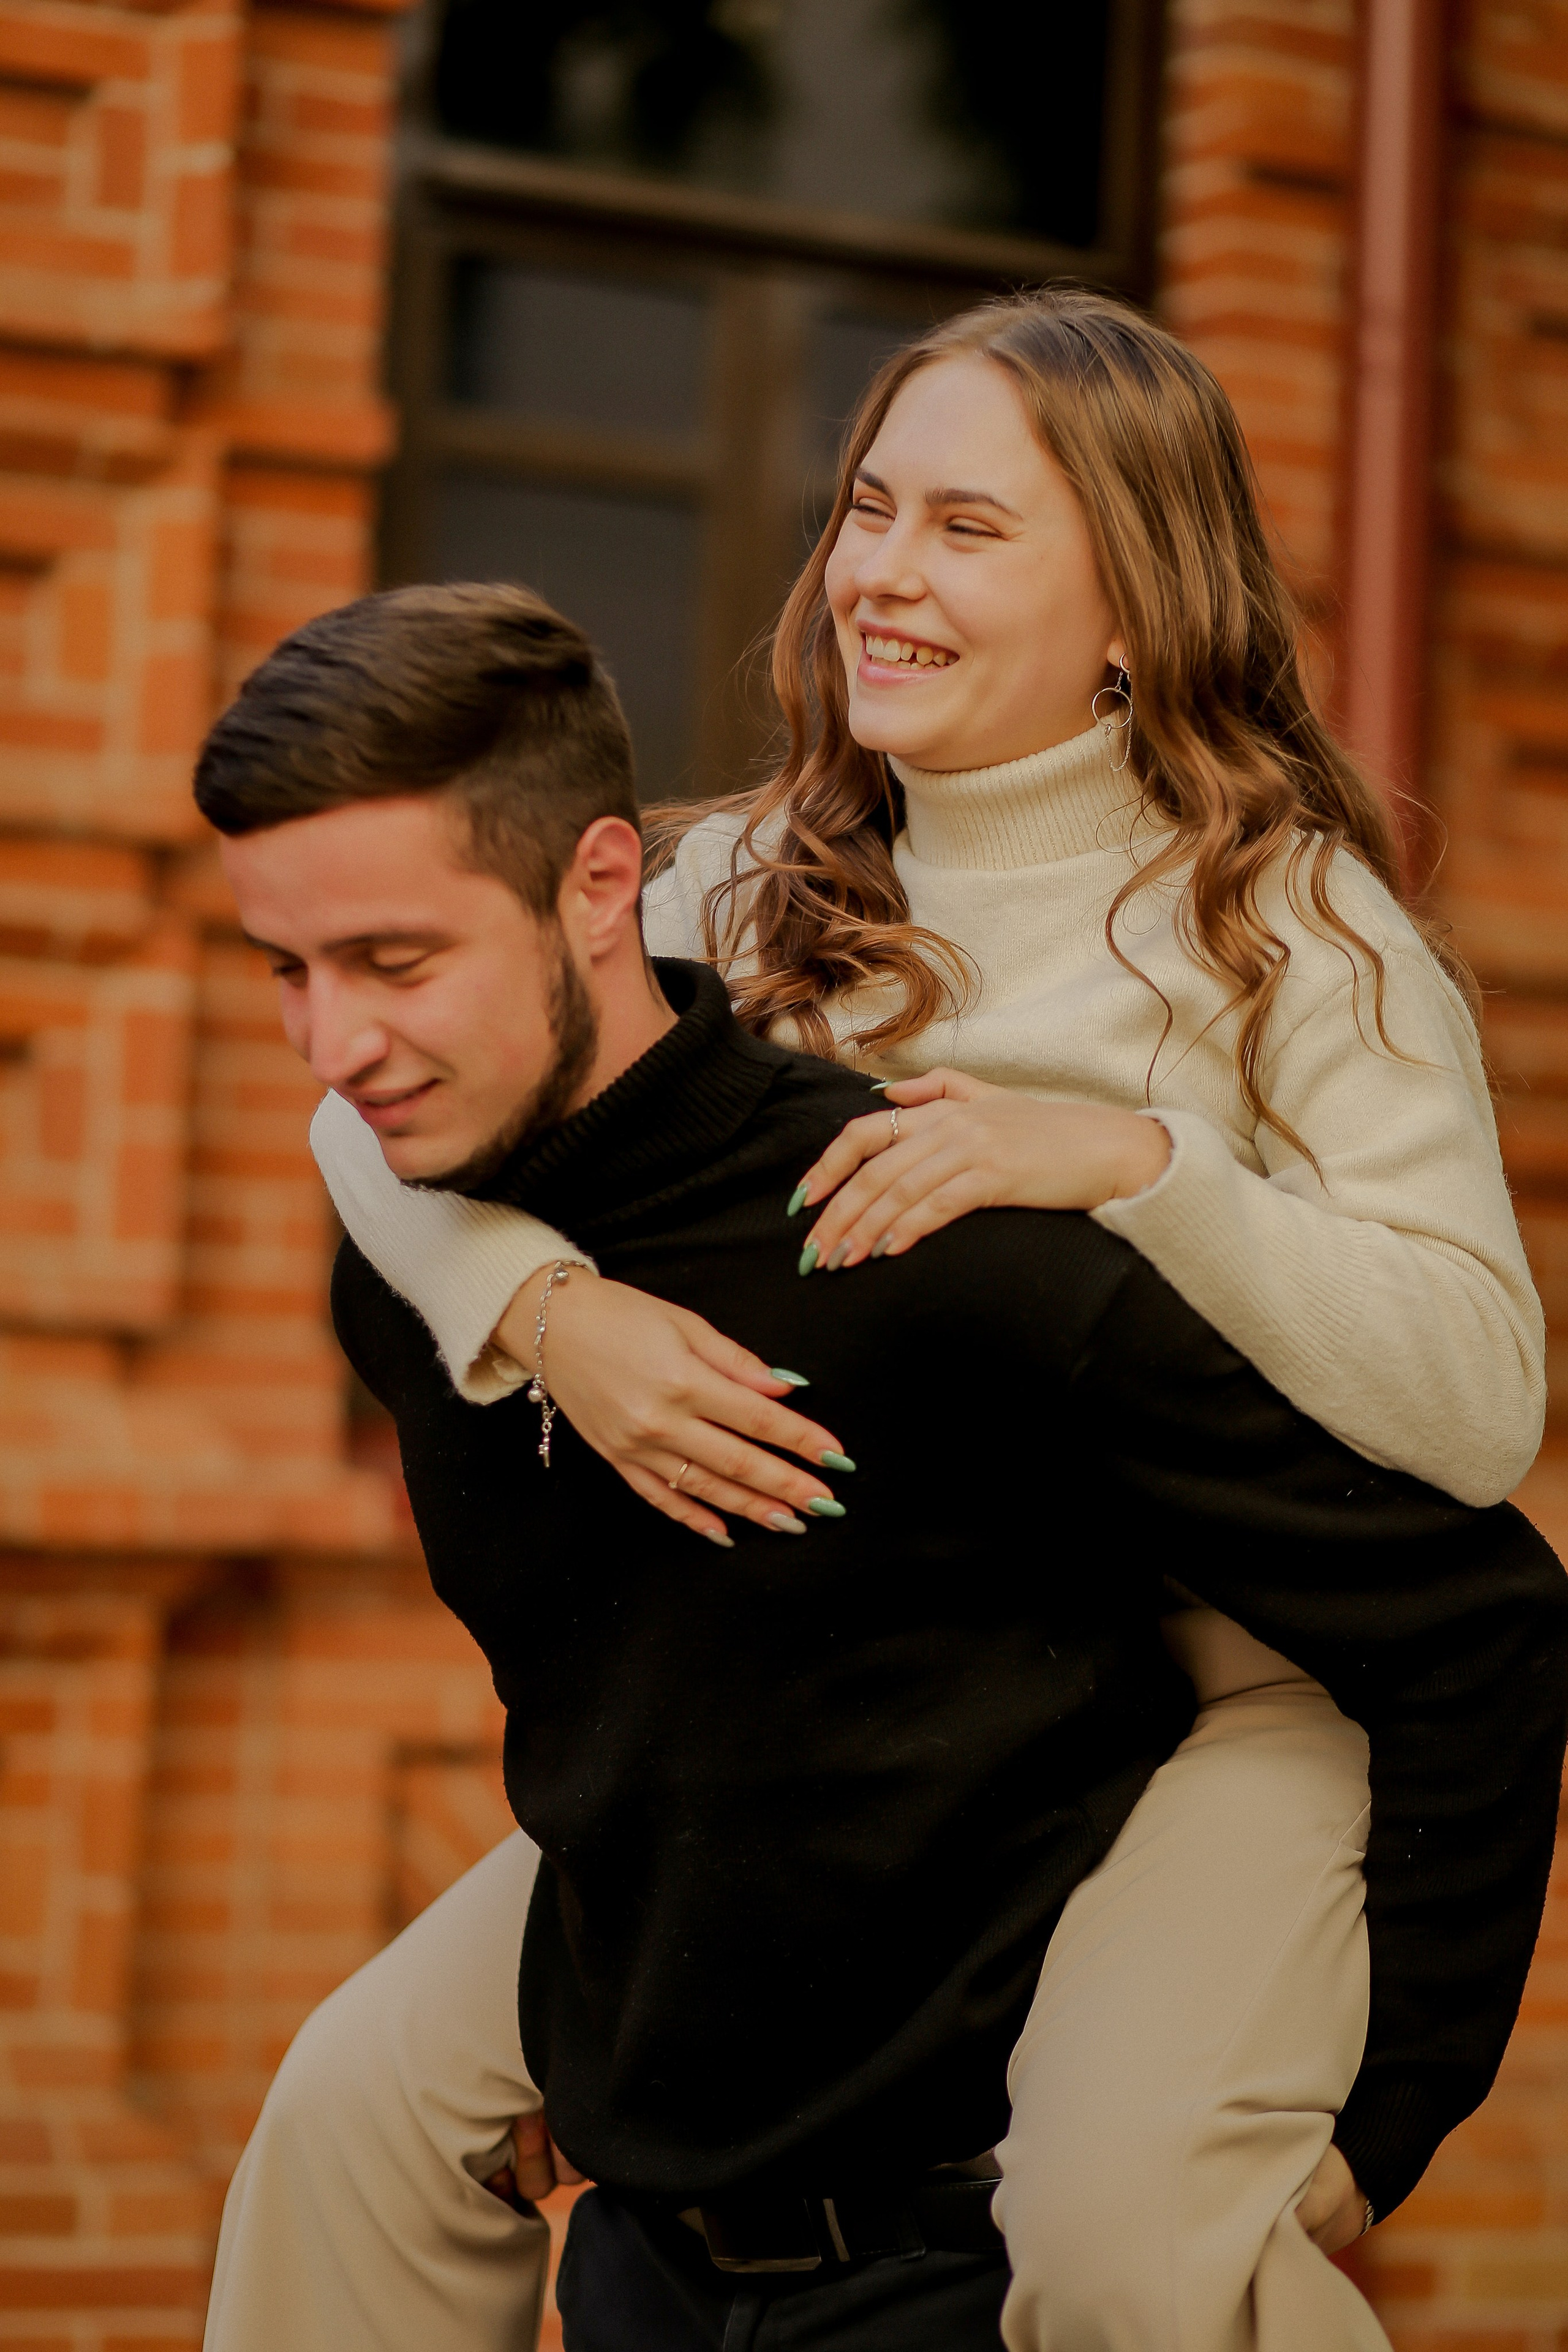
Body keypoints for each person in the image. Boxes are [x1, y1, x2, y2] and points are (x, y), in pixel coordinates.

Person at [302, 293, 1547, 2342]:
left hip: (1225, 1694)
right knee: (354, 2110)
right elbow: (379, 1103)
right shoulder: (730, 888)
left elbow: (1478, 1403)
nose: (879, 570)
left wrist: (1144, 1169)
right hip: (856, 1711)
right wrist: (542, 1308)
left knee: (1123, 2234)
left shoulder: (1299, 937)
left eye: (969, 528)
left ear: (1137, 596)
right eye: (871, 507)